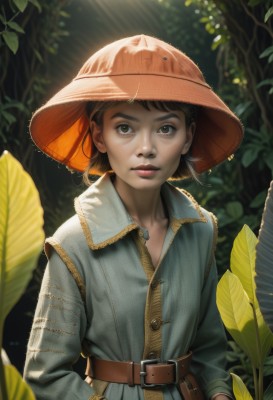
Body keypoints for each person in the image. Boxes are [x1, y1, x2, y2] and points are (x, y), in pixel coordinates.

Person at [24, 34, 243, 400]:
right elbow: (46, 374)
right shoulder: (73, 242)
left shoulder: (201, 230)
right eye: (125, 127)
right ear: (99, 134)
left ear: (188, 137)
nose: (146, 148)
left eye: (166, 128)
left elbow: (210, 349)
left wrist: (220, 393)